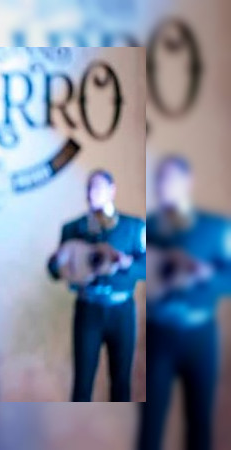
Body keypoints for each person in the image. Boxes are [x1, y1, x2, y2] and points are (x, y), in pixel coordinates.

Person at [139, 156, 231, 450]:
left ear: (187, 181)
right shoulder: (148, 228)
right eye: (159, 179)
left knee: (199, 424)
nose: (163, 186)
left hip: (200, 335)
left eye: (170, 178)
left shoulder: (215, 227)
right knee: (150, 425)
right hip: (158, 333)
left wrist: (207, 277)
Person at [47, 169, 146, 401]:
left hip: (122, 310)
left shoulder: (133, 226)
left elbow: (147, 267)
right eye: (89, 187)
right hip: (88, 307)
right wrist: (56, 263)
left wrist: (126, 264)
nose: (93, 192)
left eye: (98, 187)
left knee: (121, 383)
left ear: (112, 190)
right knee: (82, 383)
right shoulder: (73, 228)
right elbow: (55, 271)